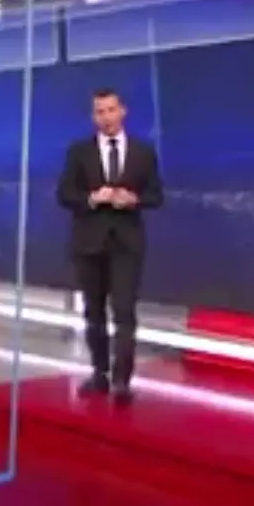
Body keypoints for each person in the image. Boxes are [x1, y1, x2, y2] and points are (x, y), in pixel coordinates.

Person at [56, 88, 164, 404]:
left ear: (123, 111)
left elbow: (156, 196)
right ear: (93, 117)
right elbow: (64, 194)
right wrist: (92, 198)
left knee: (124, 311)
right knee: (94, 312)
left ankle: (122, 381)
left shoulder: (143, 152)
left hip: (127, 244)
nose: (106, 117)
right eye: (100, 112)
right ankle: (99, 374)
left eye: (111, 110)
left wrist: (134, 200)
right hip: (89, 243)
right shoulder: (79, 152)